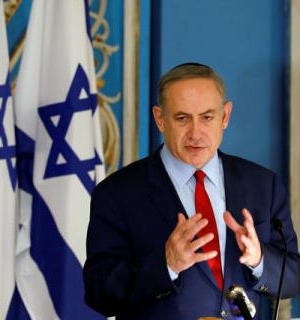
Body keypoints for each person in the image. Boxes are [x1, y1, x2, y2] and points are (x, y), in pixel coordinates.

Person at [83, 63, 300, 319]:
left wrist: (259, 259)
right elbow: (99, 293)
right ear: (160, 119)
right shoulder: (117, 193)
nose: (196, 133)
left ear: (225, 116)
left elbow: (293, 278)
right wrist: (166, 265)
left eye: (207, 117)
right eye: (182, 118)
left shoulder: (263, 185)